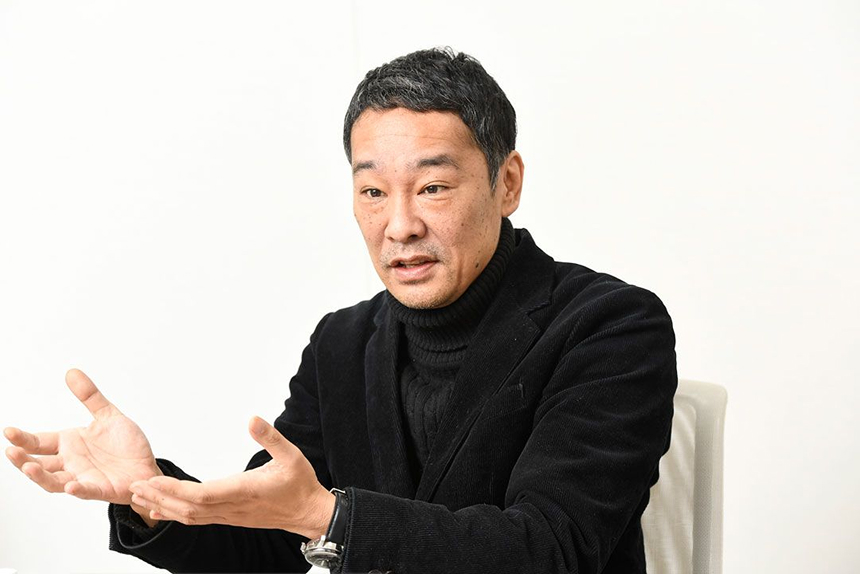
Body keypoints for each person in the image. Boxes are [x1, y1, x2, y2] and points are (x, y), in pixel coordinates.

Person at [3, 48, 677, 573]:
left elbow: (552, 550)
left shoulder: (611, 327)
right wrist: (150, 494)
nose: (400, 225)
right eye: (373, 191)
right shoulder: (343, 343)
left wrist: (331, 519)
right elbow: (272, 543)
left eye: (433, 186)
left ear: (507, 183)